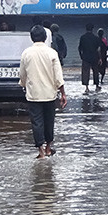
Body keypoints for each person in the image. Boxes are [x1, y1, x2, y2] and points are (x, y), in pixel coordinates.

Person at [18, 24, 67, 159]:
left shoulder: (26, 53)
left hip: (33, 94)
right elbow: (58, 76)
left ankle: (40, 151)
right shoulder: (52, 53)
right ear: (45, 38)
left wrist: (24, 85)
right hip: (50, 94)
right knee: (49, 121)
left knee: (37, 122)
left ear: (32, 38)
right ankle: (49, 148)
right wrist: (63, 93)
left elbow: (22, 74)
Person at [78, 23, 104, 93]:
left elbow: (80, 48)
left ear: (86, 29)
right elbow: (98, 49)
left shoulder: (83, 37)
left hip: (86, 57)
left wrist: (81, 56)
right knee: (96, 71)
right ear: (92, 29)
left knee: (86, 72)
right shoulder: (96, 38)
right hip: (94, 57)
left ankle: (86, 87)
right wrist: (100, 58)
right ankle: (96, 86)